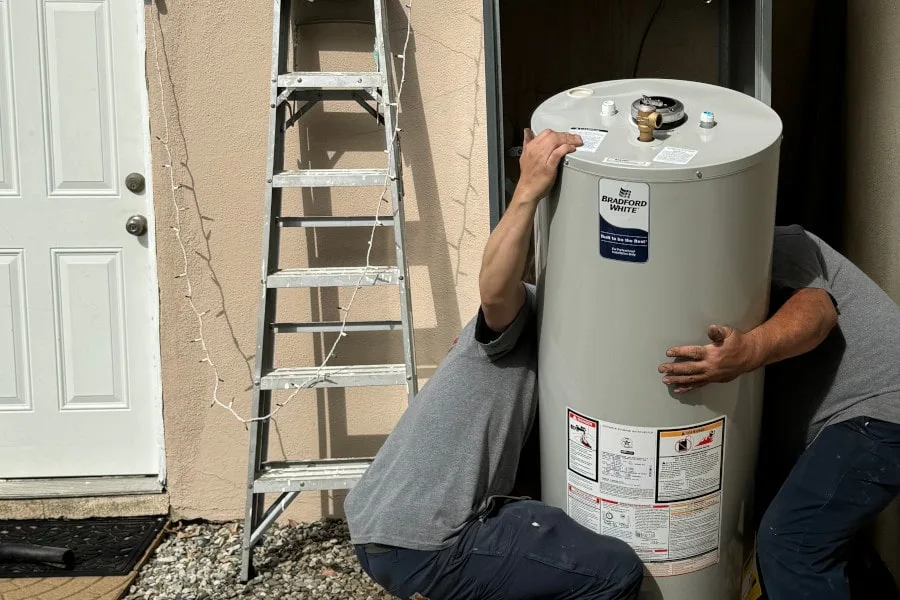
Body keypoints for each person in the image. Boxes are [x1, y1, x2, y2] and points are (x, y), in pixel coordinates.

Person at [343, 129, 644, 600]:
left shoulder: (533, 349)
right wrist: (529, 189)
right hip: (429, 543)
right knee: (615, 571)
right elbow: (495, 290)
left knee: (538, 522)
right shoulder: (518, 314)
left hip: (375, 524)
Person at [657, 225, 900, 599]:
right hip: (847, 424)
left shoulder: (780, 242)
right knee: (816, 534)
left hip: (880, 410)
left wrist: (748, 351)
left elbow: (817, 312)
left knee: (792, 544)